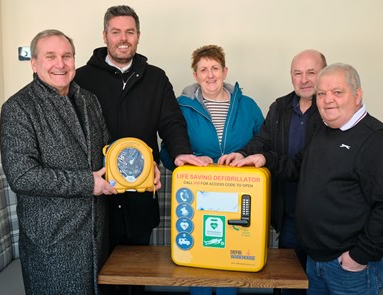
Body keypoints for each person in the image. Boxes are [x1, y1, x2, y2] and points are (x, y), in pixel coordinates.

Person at [227, 63, 383, 294]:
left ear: (358, 95)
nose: (327, 99)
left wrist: (358, 257)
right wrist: (264, 158)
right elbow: (298, 167)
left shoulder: (379, 140)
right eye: (321, 94)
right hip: (315, 260)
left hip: (348, 268)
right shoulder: (324, 130)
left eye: (337, 92)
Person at [74, 5, 209, 294]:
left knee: (136, 280)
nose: (123, 38)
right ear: (105, 36)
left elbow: (172, 122)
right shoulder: (81, 79)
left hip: (140, 202)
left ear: (138, 36)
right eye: (116, 32)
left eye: (130, 32)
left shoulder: (156, 78)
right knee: (100, 281)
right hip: (97, 202)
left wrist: (181, 152)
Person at [0, 29, 118, 295]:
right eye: (50, 56)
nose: (60, 64)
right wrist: (88, 183)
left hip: (96, 237)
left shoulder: (89, 100)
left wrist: (137, 168)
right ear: (34, 62)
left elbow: (107, 152)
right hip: (52, 244)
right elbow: (22, 176)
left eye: (67, 56)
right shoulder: (18, 108)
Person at [219, 49, 326, 295]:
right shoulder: (279, 107)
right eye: (298, 73)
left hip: (322, 220)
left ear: (324, 74)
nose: (304, 79)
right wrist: (243, 154)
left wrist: (266, 159)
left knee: (317, 285)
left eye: (311, 72)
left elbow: (305, 165)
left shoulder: (331, 112)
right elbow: (262, 140)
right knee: (288, 284)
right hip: (287, 215)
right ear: (291, 76)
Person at [161, 44, 264, 295]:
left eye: (215, 68)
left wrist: (247, 156)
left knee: (232, 258)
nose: (210, 75)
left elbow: (264, 143)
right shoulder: (181, 107)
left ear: (225, 71)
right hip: (196, 199)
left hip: (239, 198)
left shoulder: (248, 106)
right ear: (195, 75)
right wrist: (189, 159)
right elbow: (168, 151)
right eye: (203, 69)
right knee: (199, 261)